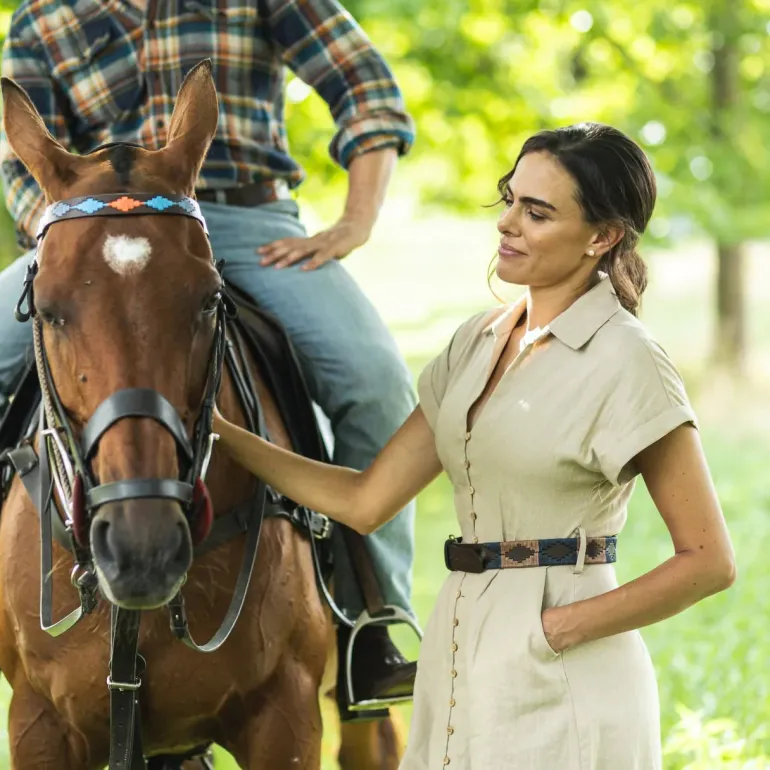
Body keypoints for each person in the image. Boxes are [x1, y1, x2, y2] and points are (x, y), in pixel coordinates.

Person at [210, 123, 737, 768]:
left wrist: (554, 630)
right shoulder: (476, 342)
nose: (507, 224)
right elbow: (366, 499)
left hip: (563, 669)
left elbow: (709, 560)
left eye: (536, 212)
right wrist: (218, 434)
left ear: (602, 237)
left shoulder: (629, 359)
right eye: (509, 200)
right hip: (456, 648)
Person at [0, 0, 418, 699]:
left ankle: (370, 621)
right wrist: (72, 229)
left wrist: (356, 220)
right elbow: (20, 161)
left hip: (244, 219)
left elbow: (365, 89)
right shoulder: (45, 18)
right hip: (89, 232)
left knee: (373, 381)